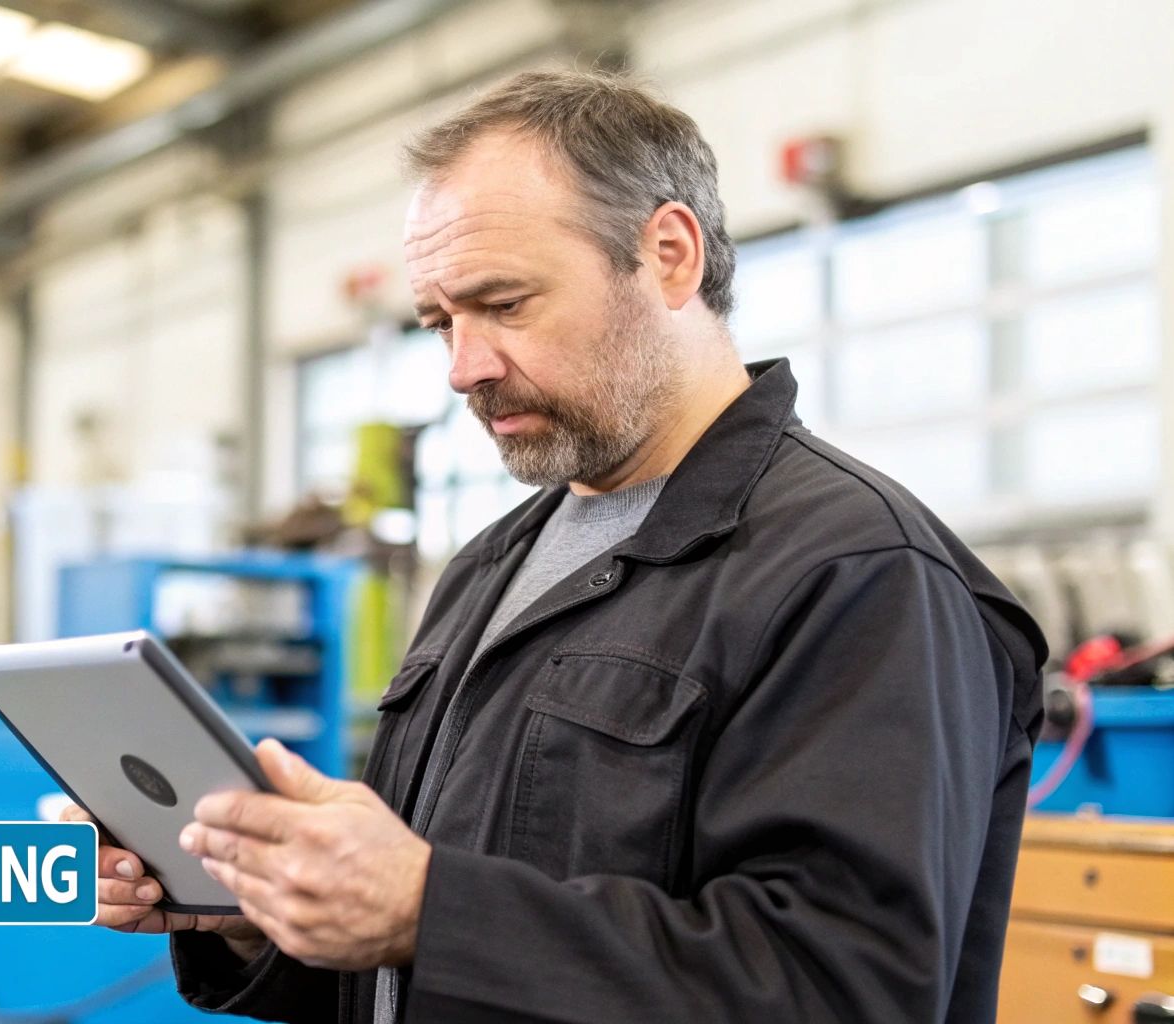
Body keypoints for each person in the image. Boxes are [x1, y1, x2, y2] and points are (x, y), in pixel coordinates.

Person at [65, 67, 1046, 1023]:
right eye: (438, 321)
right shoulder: (488, 568)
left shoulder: (855, 571)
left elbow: (846, 987)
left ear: (667, 254)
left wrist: (428, 906)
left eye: (502, 303)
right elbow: (392, 970)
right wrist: (249, 907)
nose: (461, 367)